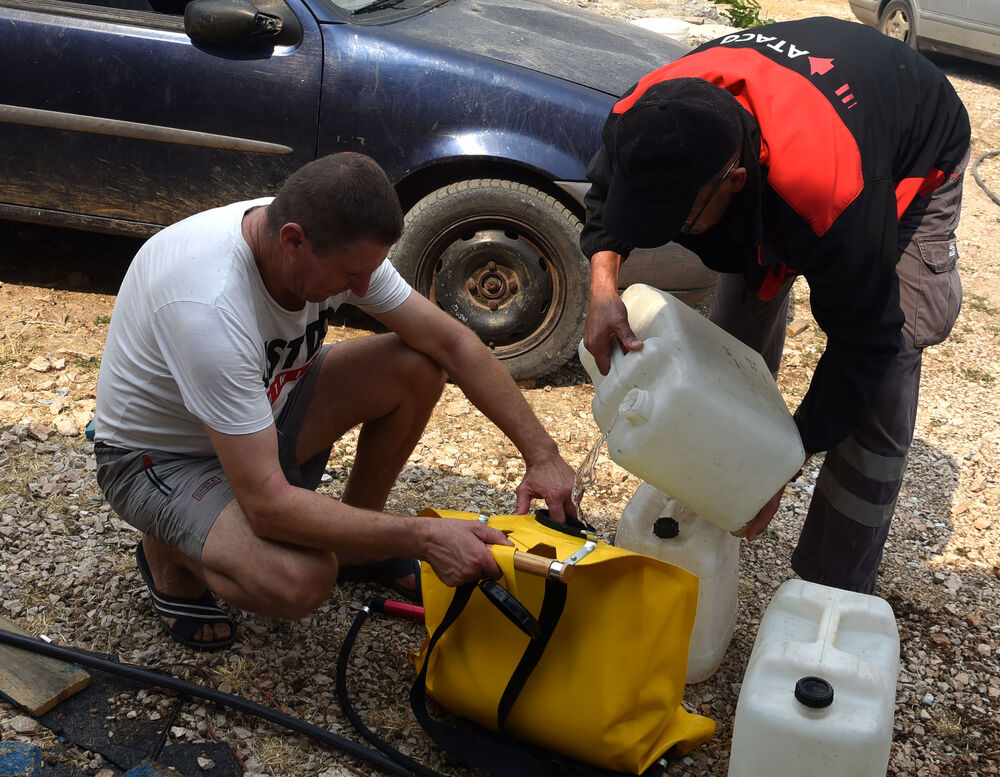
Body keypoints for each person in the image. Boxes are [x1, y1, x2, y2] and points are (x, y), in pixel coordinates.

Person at [93, 152, 576, 650]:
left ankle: (359, 550)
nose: (363, 289)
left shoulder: (325, 237)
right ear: (293, 240)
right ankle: (168, 553)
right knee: (300, 578)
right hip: (161, 461)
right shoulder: (208, 304)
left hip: (260, 415)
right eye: (351, 275)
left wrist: (543, 455)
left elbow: (452, 343)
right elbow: (267, 506)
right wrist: (421, 536)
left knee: (415, 366)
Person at [580, 17, 970, 594]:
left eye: (678, 222)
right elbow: (607, 197)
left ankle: (829, 586)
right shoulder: (644, 115)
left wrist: (783, 460)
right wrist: (602, 288)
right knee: (727, 342)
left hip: (913, 144)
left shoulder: (834, 197)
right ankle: (705, 495)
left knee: (884, 378)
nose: (666, 235)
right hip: (798, 124)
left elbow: (865, 340)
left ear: (734, 180)